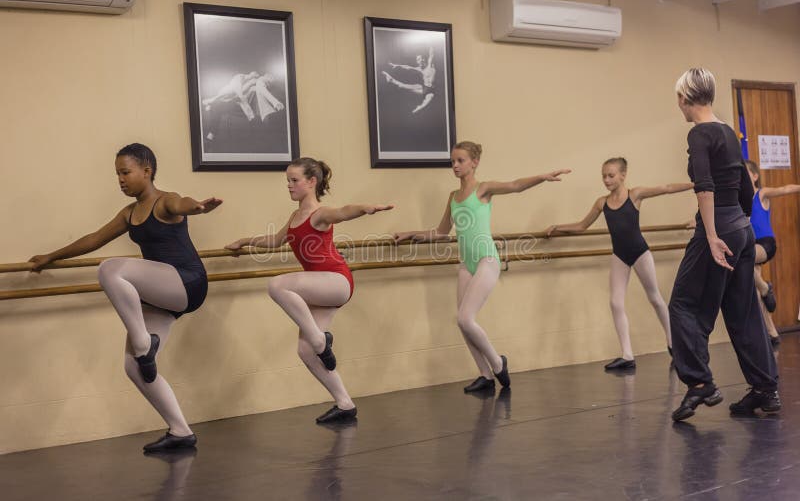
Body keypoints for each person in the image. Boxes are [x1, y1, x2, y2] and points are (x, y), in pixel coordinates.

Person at [28, 143, 222, 451]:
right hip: (162, 292)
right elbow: (94, 239)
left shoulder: (165, 201)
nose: (120, 179)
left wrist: (197, 206)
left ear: (146, 172)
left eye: (125, 172)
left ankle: (145, 342)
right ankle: (180, 430)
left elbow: (182, 203)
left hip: (187, 282)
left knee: (110, 269)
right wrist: (50, 257)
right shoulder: (130, 213)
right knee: (134, 366)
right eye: (117, 174)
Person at [394, 141, 570, 393]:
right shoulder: (453, 198)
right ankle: (485, 376)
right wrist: (411, 233)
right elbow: (441, 232)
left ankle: (498, 363)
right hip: (467, 264)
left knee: (465, 318)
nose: (455, 165)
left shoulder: (483, 189)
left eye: (460, 160)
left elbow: (516, 186)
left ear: (474, 163)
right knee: (462, 322)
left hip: (487, 260)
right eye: (452, 161)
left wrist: (543, 176)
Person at [226, 157, 392, 423]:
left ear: (311, 182)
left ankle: (319, 339)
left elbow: (345, 211)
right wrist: (244, 242)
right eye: (287, 181)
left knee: (277, 284)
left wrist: (368, 208)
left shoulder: (320, 214)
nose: (289, 186)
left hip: (336, 280)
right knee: (304, 351)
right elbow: (275, 241)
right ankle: (345, 403)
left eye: (294, 180)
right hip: (319, 286)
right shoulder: (295, 216)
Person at [667, 68, 779, 422]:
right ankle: (765, 389)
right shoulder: (728, 132)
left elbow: (704, 185)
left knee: (683, 305)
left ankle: (700, 383)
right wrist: (741, 227)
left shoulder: (699, 133)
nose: (679, 106)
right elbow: (746, 187)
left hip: (719, 230)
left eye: (678, 100)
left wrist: (714, 235)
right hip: (742, 229)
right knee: (742, 310)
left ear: (684, 99)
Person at [545, 158, 693, 370]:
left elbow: (666, 188)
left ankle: (674, 344)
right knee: (615, 302)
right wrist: (558, 227)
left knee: (655, 298)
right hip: (620, 256)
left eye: (611, 175)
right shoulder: (601, 203)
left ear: (623, 175)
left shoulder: (635, 194)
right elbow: (582, 225)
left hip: (641, 253)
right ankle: (627, 355)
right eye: (604, 176)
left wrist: (696, 184)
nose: (606, 180)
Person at [744, 160, 800, 348]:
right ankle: (773, 334)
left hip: (766, 245)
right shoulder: (739, 200)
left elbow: (784, 189)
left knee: (743, 258)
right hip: (750, 247)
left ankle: (766, 288)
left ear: (754, 176)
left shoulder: (762, 194)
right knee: (755, 289)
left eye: (745, 173)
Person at [381, 46, 436, 113]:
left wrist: (431, 45)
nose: (419, 61)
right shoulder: (419, 69)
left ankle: (418, 109)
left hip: (431, 91)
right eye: (417, 60)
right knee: (402, 86)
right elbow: (408, 67)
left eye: (420, 59)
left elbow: (431, 54)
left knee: (426, 102)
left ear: (424, 59)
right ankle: (391, 80)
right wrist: (396, 65)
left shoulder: (430, 66)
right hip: (423, 88)